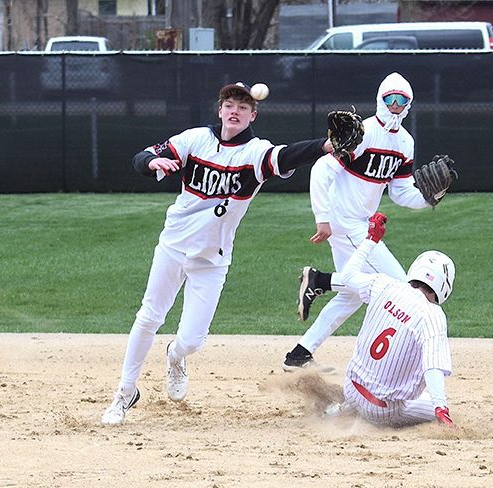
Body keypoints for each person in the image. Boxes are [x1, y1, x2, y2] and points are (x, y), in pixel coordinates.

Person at [102, 81, 334, 425]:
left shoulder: (255, 152)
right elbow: (142, 156)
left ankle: (176, 357)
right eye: (229, 104)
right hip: (173, 245)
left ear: (252, 114)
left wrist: (326, 145)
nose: (235, 110)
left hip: (212, 259)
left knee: (192, 340)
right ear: (220, 109)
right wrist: (154, 163)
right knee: (149, 316)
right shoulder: (195, 140)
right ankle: (124, 392)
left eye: (243, 106)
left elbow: (286, 155)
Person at [284, 72, 441, 371]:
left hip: (361, 222)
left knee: (354, 296)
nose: (395, 105)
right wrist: (323, 218)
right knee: (399, 286)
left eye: (402, 100)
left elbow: (400, 192)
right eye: (389, 99)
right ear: (380, 100)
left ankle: (299, 355)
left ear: (409, 104)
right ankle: (320, 280)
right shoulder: (364, 131)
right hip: (346, 221)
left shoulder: (405, 142)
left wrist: (428, 199)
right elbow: (321, 170)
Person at [321, 212, 456, 427]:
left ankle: (345, 409)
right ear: (444, 286)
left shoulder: (385, 285)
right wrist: (441, 408)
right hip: (382, 411)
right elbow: (434, 367)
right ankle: (358, 412)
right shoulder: (433, 315)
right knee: (429, 406)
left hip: (351, 388)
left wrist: (371, 239)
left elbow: (346, 276)